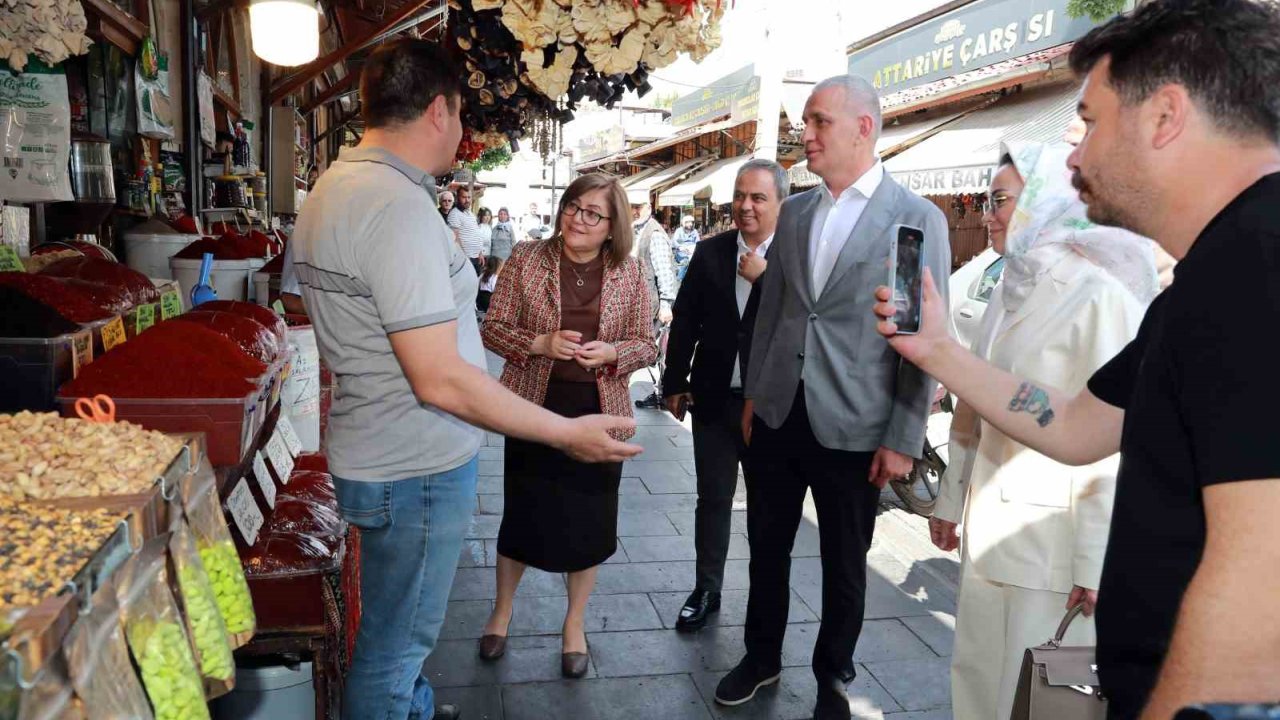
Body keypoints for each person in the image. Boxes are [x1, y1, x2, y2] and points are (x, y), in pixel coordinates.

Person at [872, 0, 1280, 715]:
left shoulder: (1255, 268)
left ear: (1164, 116)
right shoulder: (1209, 276)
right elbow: (1076, 423)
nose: (1073, 156)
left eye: (1089, 122)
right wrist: (935, 348)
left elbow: (1260, 591)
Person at [289, 38, 641, 720]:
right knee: (395, 645)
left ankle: (411, 706)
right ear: (441, 110)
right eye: (462, 116)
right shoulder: (392, 207)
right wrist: (566, 432)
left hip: (379, 446)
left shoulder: (336, 187)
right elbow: (440, 379)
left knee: (399, 632)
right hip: (413, 464)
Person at [716, 75, 951, 720]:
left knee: (846, 564)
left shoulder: (911, 221)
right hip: (778, 414)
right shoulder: (794, 213)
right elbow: (773, 312)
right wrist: (754, 391)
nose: (807, 135)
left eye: (819, 122)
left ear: (863, 129)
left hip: (856, 427)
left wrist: (903, 438)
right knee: (766, 546)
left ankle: (833, 679)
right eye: (806, 123)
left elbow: (916, 338)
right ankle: (760, 658)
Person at [933, 142, 1156, 720]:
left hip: (1050, 546)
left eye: (1001, 199)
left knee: (1041, 695)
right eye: (987, 200)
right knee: (979, 680)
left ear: (1045, 200)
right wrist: (950, 499)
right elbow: (973, 406)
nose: (989, 213)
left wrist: (1094, 560)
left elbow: (1115, 441)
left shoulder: (1098, 294)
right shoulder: (1011, 286)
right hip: (990, 531)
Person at [478, 174, 657, 679]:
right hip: (533, 408)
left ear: (612, 226)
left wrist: (614, 352)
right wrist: (538, 344)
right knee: (522, 514)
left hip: (600, 411)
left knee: (589, 521)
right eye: (573, 207)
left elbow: (647, 341)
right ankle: (501, 612)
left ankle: (574, 624)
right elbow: (492, 327)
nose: (579, 218)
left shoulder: (629, 270)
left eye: (593, 213)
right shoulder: (527, 258)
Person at [661, 159, 786, 631]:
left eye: (758, 198)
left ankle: (763, 597)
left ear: (780, 203)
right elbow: (686, 318)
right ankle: (707, 587)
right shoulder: (710, 252)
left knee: (766, 507)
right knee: (712, 498)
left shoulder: (792, 260)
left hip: (769, 408)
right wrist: (675, 380)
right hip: (713, 399)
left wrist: (766, 277)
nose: (746, 206)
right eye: (740, 196)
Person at [631, 200, 679, 410]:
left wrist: (666, 303)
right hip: (636, 304)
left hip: (650, 305)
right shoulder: (633, 230)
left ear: (648, 208)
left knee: (653, 352)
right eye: (630, 206)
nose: (633, 211)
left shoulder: (655, 234)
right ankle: (659, 392)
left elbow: (664, 271)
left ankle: (662, 393)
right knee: (650, 352)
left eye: (637, 207)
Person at [448, 186, 485, 272]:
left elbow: (476, 233)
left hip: (476, 258)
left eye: (469, 197)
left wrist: (480, 253)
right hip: (466, 259)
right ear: (457, 198)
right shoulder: (454, 214)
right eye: (464, 197)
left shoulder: (471, 214)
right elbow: (455, 239)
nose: (467, 200)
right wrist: (463, 258)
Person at [671, 214, 701, 279]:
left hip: (692, 252)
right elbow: (675, 241)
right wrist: (681, 247)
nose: (690, 224)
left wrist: (695, 248)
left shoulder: (694, 231)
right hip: (681, 253)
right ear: (684, 223)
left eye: (691, 222)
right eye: (688, 222)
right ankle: (680, 279)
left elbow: (698, 242)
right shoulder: (679, 231)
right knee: (685, 262)